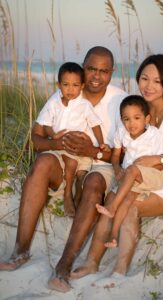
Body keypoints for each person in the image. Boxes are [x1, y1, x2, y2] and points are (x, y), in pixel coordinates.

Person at [0, 46, 127, 292]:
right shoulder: (64, 95)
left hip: (100, 164)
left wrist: (92, 151)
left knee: (93, 184)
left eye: (104, 71)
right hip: (62, 158)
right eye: (91, 69)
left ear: (112, 72)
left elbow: (125, 154)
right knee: (43, 162)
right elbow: (34, 140)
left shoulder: (121, 101)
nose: (96, 76)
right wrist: (57, 143)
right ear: (82, 67)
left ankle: (63, 268)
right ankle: (20, 252)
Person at [70, 54, 163, 288]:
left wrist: (154, 159)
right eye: (144, 78)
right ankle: (91, 261)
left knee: (129, 205)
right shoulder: (138, 108)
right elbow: (122, 145)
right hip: (140, 175)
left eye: (157, 81)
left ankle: (120, 271)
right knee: (111, 198)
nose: (148, 86)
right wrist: (116, 164)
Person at [37, 62, 109, 217]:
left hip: (80, 146)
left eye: (75, 85)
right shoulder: (54, 102)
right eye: (66, 84)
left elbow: (95, 124)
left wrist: (101, 142)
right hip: (62, 146)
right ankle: (67, 193)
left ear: (82, 86)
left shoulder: (84, 105)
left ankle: (78, 195)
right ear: (59, 85)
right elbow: (45, 123)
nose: (70, 89)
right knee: (71, 164)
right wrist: (53, 134)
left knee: (83, 172)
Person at [96, 95, 163, 248]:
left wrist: (140, 171)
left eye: (136, 118)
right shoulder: (121, 133)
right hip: (130, 178)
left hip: (152, 175)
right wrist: (117, 169)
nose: (131, 123)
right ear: (122, 120)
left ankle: (112, 207)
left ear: (146, 119)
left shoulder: (154, 135)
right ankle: (114, 235)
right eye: (126, 119)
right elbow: (115, 156)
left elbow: (161, 164)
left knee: (133, 170)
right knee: (127, 199)